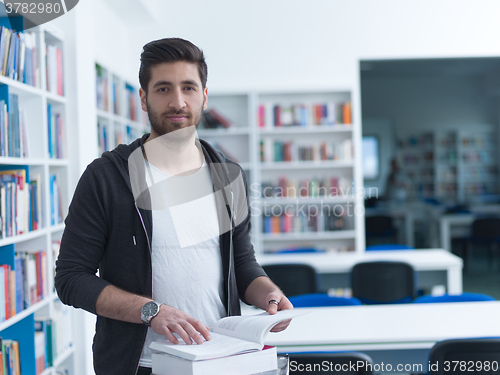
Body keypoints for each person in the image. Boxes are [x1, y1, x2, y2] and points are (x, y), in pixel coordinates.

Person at [55, 38, 293, 375]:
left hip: (221, 359)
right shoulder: (106, 177)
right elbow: (70, 278)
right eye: (163, 88)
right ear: (143, 97)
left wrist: (269, 294)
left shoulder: (229, 175)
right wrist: (150, 311)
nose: (177, 101)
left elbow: (241, 263)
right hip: (140, 365)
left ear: (204, 96)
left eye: (188, 88)